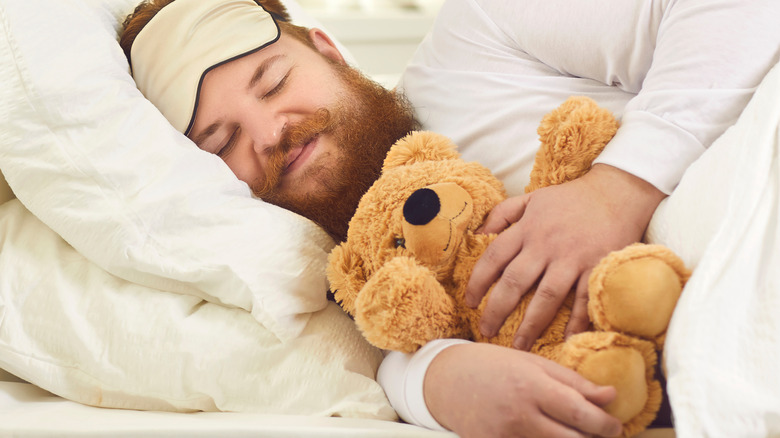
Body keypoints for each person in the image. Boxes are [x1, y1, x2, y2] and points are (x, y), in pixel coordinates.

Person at [119, 0, 780, 436]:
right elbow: (369, 347)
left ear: (329, 49)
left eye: (273, 82)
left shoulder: (481, 32)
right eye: (220, 141)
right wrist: (432, 384)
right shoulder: (319, 265)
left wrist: (618, 187)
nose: (270, 133)